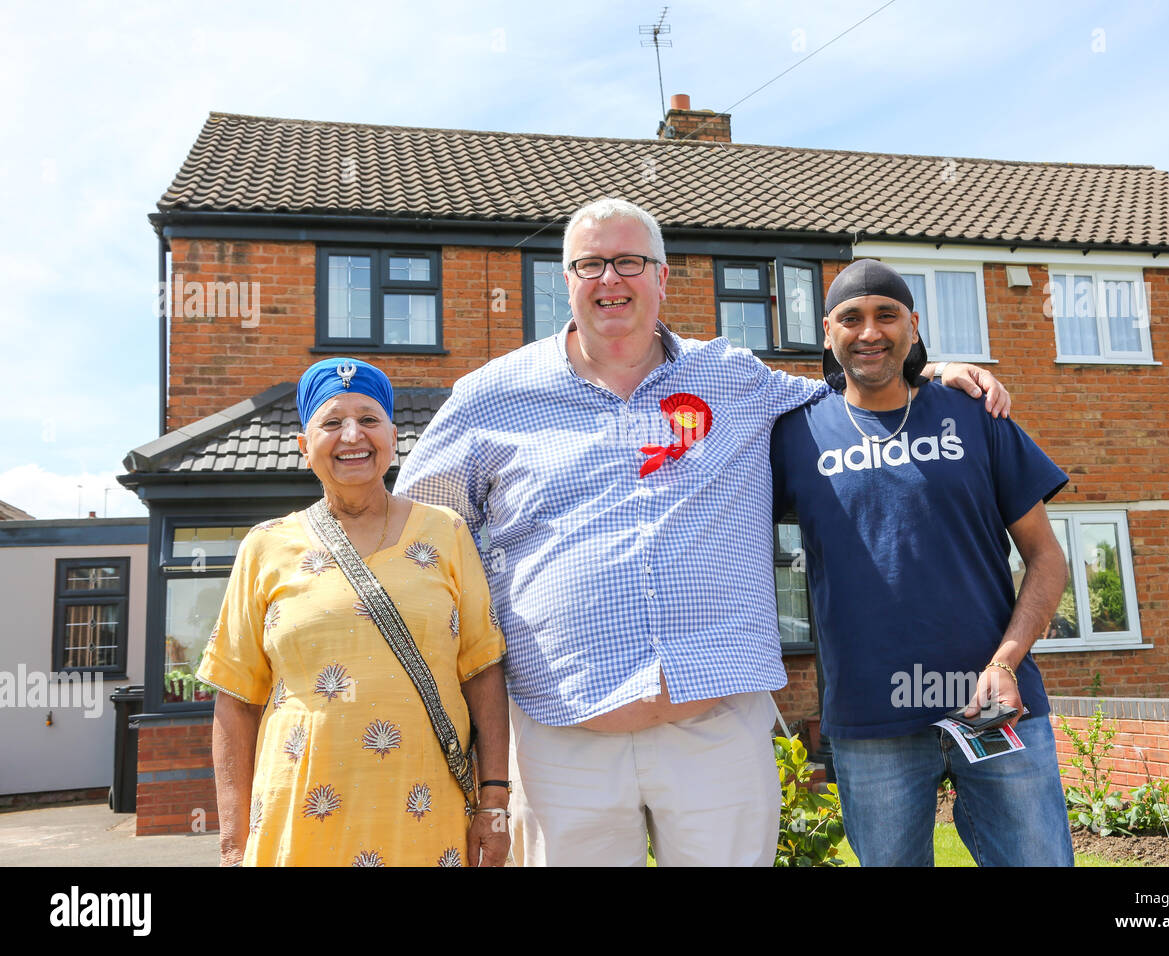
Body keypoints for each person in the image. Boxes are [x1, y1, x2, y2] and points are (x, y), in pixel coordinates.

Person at [395, 198, 1010, 867]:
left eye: (629, 262)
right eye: (590, 264)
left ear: (662, 278)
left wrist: (928, 376)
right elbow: (418, 537)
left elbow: (845, 397)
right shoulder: (492, 395)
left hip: (716, 731)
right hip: (561, 736)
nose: (610, 280)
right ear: (564, 279)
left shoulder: (733, 378)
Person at [770, 258, 1073, 866]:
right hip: (869, 716)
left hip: (993, 704)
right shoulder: (796, 434)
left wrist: (1006, 663)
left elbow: (1046, 559)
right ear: (827, 332)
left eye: (887, 315)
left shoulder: (975, 416)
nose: (870, 332)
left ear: (913, 323)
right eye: (851, 319)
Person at [199, 357, 510, 867]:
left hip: (427, 812)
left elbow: (483, 669)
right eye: (331, 422)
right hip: (298, 815)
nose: (352, 436)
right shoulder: (265, 547)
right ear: (304, 448)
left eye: (368, 420)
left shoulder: (447, 533)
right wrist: (234, 846)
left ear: (393, 436)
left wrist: (494, 802)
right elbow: (235, 698)